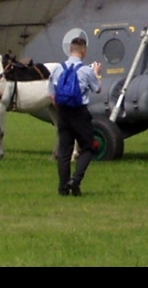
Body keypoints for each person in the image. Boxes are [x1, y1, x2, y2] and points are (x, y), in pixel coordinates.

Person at [47, 36, 102, 197]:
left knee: (64, 151)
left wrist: (60, 107)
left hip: (63, 112)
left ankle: (63, 188)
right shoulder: (86, 70)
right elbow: (97, 88)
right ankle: (76, 180)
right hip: (79, 112)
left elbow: (51, 94)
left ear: (70, 50)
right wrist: (97, 73)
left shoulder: (58, 69)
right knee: (88, 147)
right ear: (84, 51)